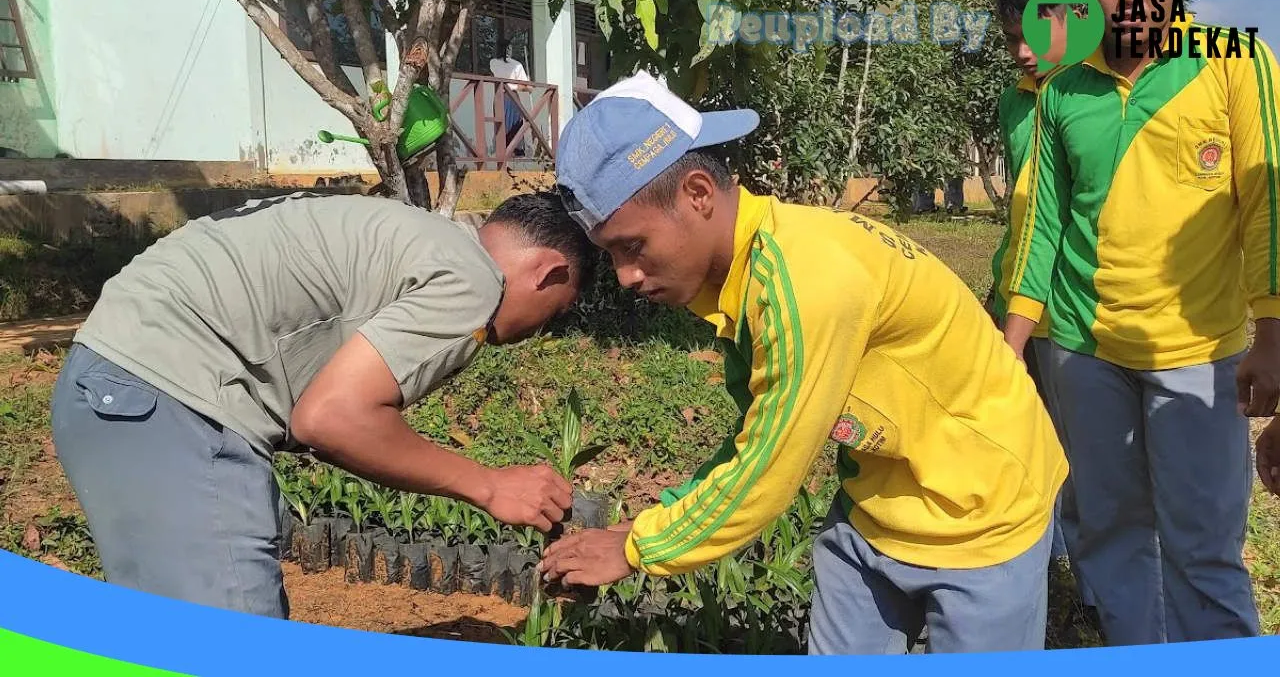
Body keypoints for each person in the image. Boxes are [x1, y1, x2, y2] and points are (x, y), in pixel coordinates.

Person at [537, 72, 1068, 654]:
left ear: (697, 193)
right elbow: (754, 431)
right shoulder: (746, 271)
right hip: (876, 505)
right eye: (611, 253)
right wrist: (652, 523)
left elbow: (769, 465)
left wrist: (640, 547)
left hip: (982, 513)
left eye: (633, 247)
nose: (626, 276)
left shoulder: (803, 284)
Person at [51, 191, 593, 619]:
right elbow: (331, 419)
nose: (537, 333)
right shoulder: (475, 278)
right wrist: (491, 484)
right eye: (553, 314)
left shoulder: (414, 237)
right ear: (547, 272)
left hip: (119, 386)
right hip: (170, 397)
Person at [1003, 0, 1278, 644]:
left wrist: (1272, 334)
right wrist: (1010, 348)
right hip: (1080, 349)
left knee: (1204, 551)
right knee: (1111, 539)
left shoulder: (1235, 59)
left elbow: (1267, 204)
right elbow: (1041, 224)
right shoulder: (1063, 80)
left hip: (1198, 351)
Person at [990, 0, 1095, 610]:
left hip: (1076, 313)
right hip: (1015, 303)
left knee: (1083, 458)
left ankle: (1091, 590)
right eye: (1009, 38)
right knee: (1022, 442)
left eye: (1035, 31)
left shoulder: (1096, 96)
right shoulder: (1013, 103)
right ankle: (1049, 572)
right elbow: (1028, 215)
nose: (1022, 50)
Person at [490, 39, 532, 157]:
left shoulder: (493, 62)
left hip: (502, 96)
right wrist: (526, 84)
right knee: (511, 124)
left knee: (505, 124)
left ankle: (503, 151)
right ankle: (513, 150)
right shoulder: (516, 65)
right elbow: (527, 87)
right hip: (511, 96)